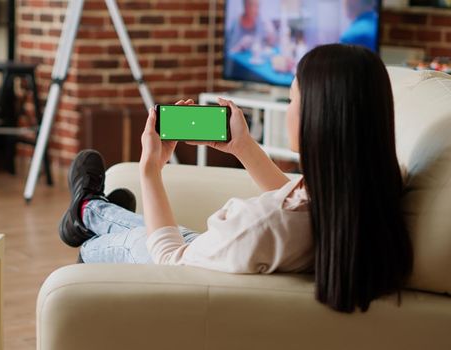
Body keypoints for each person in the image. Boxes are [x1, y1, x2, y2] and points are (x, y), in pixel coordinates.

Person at [59, 44, 413, 313]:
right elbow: (304, 205)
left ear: (316, 118)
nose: (289, 110)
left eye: (291, 100)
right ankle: (93, 210)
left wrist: (150, 168)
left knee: (97, 246)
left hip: (181, 262)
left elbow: (170, 259)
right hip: (213, 251)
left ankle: (89, 212)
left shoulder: (259, 225)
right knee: (156, 229)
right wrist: (243, 147)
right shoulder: (375, 184)